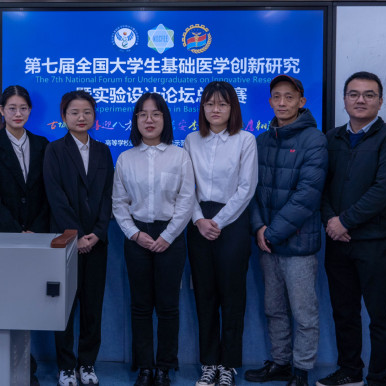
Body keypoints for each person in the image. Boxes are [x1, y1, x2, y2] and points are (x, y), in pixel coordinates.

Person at [317, 72, 386, 386]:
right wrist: (331, 221)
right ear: (344, 100)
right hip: (337, 241)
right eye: (354, 94)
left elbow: (384, 189)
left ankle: (379, 378)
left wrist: (345, 221)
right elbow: (320, 186)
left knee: (381, 315)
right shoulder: (330, 138)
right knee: (344, 311)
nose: (360, 100)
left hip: (375, 241)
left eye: (369, 94)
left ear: (380, 101)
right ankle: (349, 370)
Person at [244, 74, 327, 386]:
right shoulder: (260, 141)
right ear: (269, 102)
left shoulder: (314, 140)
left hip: (298, 244)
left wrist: (270, 232)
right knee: (274, 309)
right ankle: (280, 362)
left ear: (301, 101)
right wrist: (258, 227)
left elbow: (307, 195)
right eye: (276, 97)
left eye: (289, 97)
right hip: (267, 242)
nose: (282, 103)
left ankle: (301, 370)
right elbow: (250, 190)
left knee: (304, 313)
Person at [112, 92, 195, 386]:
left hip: (171, 238)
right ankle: (145, 367)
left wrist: (168, 236)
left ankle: (164, 367)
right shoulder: (125, 158)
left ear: (165, 119)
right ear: (135, 119)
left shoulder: (179, 156)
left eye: (156, 114)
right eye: (143, 114)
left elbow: (186, 201)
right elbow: (119, 202)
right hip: (136, 237)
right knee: (140, 306)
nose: (149, 120)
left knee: (168, 306)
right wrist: (134, 234)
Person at [184, 81, 258, 386]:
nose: (216, 109)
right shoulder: (191, 140)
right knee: (204, 295)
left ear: (232, 108)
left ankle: (228, 365)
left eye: (223, 104)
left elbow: (247, 187)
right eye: (210, 103)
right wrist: (199, 220)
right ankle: (209, 363)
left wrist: (218, 221)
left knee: (232, 296)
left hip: (233, 222)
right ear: (202, 107)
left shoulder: (245, 140)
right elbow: (186, 187)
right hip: (198, 222)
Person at [0, 84, 49, 386]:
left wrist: (34, 231)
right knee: (1, 303)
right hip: (1, 238)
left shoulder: (43, 144)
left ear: (30, 111)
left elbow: (48, 194)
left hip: (35, 239)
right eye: (12, 108)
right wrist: (15, 231)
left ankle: (24, 367)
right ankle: (2, 367)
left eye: (23, 108)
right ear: (1, 111)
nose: (18, 113)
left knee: (28, 303)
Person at [44, 90, 114, 386]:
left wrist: (97, 233)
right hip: (66, 242)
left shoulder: (103, 151)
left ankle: (87, 363)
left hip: (97, 242)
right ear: (64, 117)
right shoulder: (54, 151)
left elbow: (108, 196)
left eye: (87, 112)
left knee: (92, 307)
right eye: (74, 112)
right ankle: (66, 366)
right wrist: (77, 235)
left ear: (94, 116)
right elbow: (56, 197)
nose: (81, 117)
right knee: (64, 307)